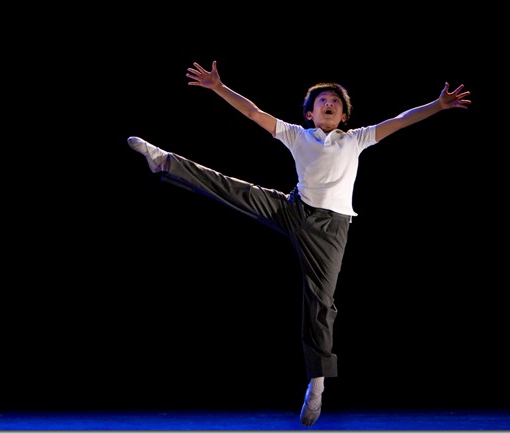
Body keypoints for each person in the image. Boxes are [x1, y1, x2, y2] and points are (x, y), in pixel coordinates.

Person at [127, 60, 471, 426]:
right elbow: (253, 112)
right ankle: (165, 162)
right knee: (235, 188)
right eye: (323, 100)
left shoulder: (355, 139)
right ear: (310, 114)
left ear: (342, 116)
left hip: (331, 229)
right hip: (294, 208)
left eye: (335, 103)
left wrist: (438, 105)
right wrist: (218, 87)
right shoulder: (297, 135)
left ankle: (317, 383)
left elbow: (400, 120)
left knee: (320, 302)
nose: (329, 104)